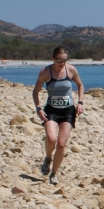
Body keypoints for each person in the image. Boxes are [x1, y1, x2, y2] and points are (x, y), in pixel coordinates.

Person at [31, 46, 84, 185]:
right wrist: (38, 108)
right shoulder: (45, 72)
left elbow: (80, 85)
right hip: (51, 110)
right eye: (59, 60)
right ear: (52, 59)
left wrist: (80, 102)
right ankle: (48, 158)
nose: (62, 63)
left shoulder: (71, 70)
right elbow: (35, 91)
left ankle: (53, 174)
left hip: (68, 111)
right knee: (51, 138)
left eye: (64, 60)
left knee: (61, 144)